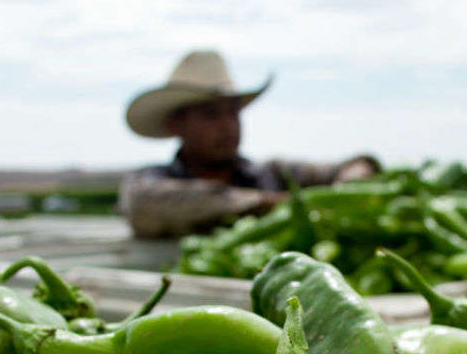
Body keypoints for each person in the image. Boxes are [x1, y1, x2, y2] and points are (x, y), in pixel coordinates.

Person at [118, 50, 379, 238]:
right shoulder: (150, 183)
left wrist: (353, 180)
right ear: (175, 124)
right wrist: (276, 205)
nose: (228, 125)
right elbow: (143, 204)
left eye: (233, 113)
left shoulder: (271, 174)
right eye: (210, 115)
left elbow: (354, 166)